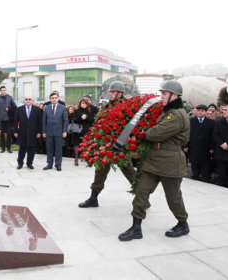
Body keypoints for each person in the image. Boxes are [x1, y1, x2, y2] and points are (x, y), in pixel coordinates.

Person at [118, 80, 190, 242]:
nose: (161, 96)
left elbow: (155, 133)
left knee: (173, 198)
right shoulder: (167, 112)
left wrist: (146, 132)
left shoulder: (176, 114)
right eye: (161, 93)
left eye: (164, 94)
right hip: (154, 160)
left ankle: (183, 223)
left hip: (170, 163)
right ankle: (136, 228)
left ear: (175, 95)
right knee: (141, 194)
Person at [78, 81, 142, 208]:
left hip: (120, 145)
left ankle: (142, 197)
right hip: (107, 144)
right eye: (110, 92)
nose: (111, 94)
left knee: (128, 171)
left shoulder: (127, 106)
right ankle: (93, 198)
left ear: (120, 93)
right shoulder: (108, 106)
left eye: (113, 92)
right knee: (100, 171)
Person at [183, 104, 215, 182]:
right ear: (196, 111)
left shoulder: (211, 122)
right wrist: (185, 145)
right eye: (199, 111)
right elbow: (186, 133)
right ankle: (195, 177)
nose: (200, 112)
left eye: (202, 111)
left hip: (205, 149)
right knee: (194, 167)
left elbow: (213, 136)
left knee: (205, 169)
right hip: (193, 148)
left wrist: (212, 147)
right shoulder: (191, 121)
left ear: (205, 112)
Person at [13, 95, 42, 169]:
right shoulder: (19, 109)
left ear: (32, 101)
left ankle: (29, 163)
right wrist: (15, 131)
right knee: (22, 148)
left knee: (31, 149)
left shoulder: (37, 110)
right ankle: (20, 163)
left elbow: (39, 122)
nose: (28, 100)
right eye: (26, 99)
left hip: (33, 133)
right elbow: (15, 121)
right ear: (24, 101)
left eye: (29, 99)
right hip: (22, 132)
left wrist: (39, 132)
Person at [42, 91, 68, 171]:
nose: (54, 99)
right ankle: (49, 164)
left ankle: (58, 165)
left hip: (59, 132)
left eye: (55, 98)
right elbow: (44, 121)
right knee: (49, 149)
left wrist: (64, 131)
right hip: (49, 132)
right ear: (50, 99)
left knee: (58, 149)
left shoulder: (62, 107)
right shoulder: (47, 108)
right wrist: (44, 132)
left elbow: (65, 120)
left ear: (58, 99)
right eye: (52, 98)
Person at [70, 99, 94, 165]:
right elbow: (74, 120)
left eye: (85, 104)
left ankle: (87, 159)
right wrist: (81, 118)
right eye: (83, 103)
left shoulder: (89, 111)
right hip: (77, 130)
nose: (84, 105)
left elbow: (92, 120)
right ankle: (76, 160)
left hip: (86, 130)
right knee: (77, 144)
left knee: (86, 144)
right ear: (80, 103)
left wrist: (86, 118)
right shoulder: (77, 111)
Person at [0, 86, 17, 153]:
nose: (4, 91)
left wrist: (9, 108)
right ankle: (3, 148)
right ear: (0, 91)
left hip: (8, 119)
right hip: (1, 119)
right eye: (2, 90)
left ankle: (9, 148)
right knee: (2, 135)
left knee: (9, 134)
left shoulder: (9, 97)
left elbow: (14, 106)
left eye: (5, 90)